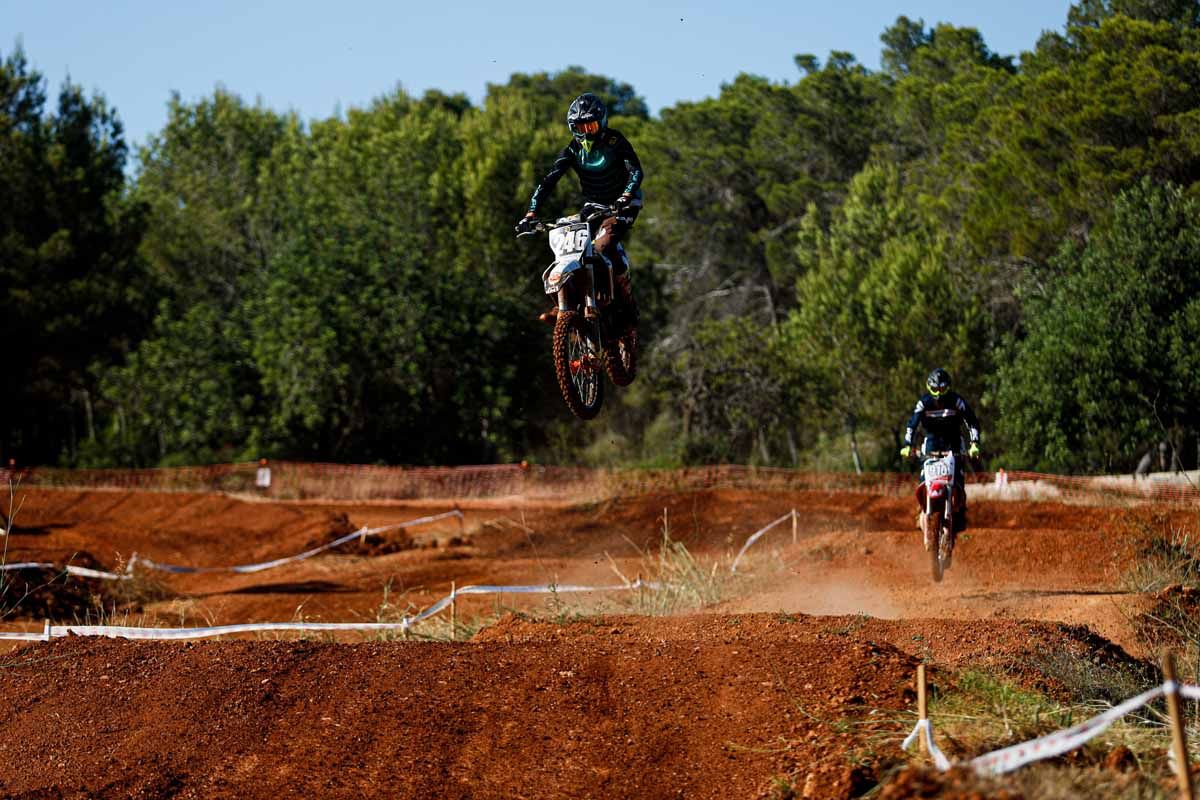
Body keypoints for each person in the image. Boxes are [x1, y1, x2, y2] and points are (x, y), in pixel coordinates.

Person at [515, 92, 644, 322]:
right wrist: (531, 213)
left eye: (591, 126)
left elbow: (636, 171)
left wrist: (625, 196)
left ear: (602, 122)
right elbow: (549, 180)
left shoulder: (616, 141)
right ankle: (564, 306)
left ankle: (624, 296)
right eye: (580, 127)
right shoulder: (572, 150)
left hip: (624, 203)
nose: (586, 132)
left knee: (603, 245)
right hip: (593, 204)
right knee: (568, 245)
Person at [900, 368, 981, 530]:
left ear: (948, 388)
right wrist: (907, 445)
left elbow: (971, 421)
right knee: (924, 476)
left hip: (954, 442)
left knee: (958, 474)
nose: (938, 393)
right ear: (929, 388)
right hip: (931, 442)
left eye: (942, 389)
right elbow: (912, 425)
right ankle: (921, 509)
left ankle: (960, 509)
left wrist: (974, 444)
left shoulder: (957, 401)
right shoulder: (924, 403)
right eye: (935, 389)